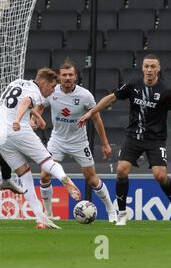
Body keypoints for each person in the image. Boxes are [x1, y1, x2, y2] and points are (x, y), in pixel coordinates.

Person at [78, 54, 171, 225]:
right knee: (122, 170)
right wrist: (91, 112)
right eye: (146, 66)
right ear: (142, 68)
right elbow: (111, 98)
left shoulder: (166, 92)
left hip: (156, 139)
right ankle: (122, 213)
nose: (149, 70)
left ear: (159, 69)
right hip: (133, 137)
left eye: (153, 67)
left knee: (160, 175)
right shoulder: (134, 85)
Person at [0, 68, 82, 229]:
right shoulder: (34, 92)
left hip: (1, 136)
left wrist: (38, 116)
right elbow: (25, 102)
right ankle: (65, 179)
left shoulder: (17, 83)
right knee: (48, 161)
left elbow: (18, 101)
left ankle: (41, 218)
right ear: (43, 83)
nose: (53, 89)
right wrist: (18, 120)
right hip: (18, 130)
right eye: (52, 86)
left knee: (25, 175)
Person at [34, 61, 117, 222]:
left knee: (91, 178)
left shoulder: (85, 95)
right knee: (44, 175)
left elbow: (97, 119)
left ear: (76, 77)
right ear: (59, 77)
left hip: (79, 142)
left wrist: (105, 144)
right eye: (64, 75)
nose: (67, 78)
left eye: (70, 75)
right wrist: (34, 118)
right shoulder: (52, 92)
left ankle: (110, 210)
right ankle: (49, 214)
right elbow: (39, 107)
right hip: (57, 140)